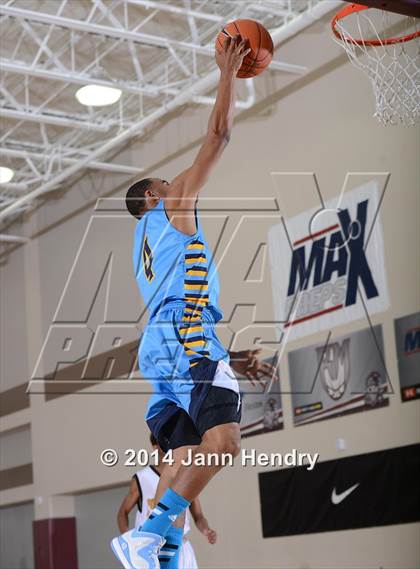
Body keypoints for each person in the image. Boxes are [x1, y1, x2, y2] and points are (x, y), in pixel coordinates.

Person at [111, 34, 274, 569]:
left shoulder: (142, 247)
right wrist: (227, 72)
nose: (177, 178)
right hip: (185, 333)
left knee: (183, 461)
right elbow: (219, 135)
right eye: (167, 179)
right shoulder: (172, 209)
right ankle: (149, 534)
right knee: (224, 444)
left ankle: (156, 553)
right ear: (155, 196)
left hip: (160, 346)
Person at [116, 434, 217, 568]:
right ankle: (135, 544)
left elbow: (198, 516)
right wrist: (128, 536)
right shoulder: (142, 478)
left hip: (182, 546)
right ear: (155, 447)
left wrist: (206, 530)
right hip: (153, 549)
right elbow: (122, 512)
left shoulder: (186, 476)